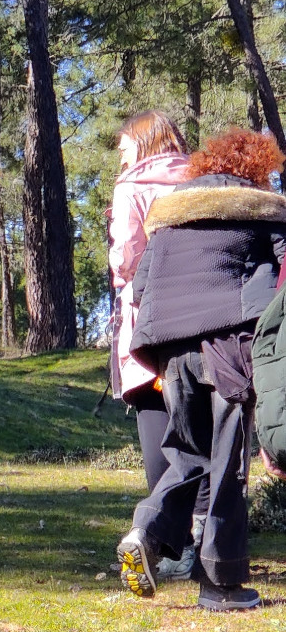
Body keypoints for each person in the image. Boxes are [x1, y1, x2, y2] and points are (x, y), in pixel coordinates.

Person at [117, 128, 286, 611]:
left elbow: (140, 285)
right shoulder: (264, 210)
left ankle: (145, 531)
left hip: (171, 350)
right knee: (228, 462)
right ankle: (221, 584)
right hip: (230, 343)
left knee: (187, 454)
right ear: (255, 168)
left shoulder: (170, 216)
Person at [107, 111, 207, 580]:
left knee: (158, 428)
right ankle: (208, 540)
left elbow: (128, 259)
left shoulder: (132, 188)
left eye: (125, 148)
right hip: (206, 322)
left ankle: (169, 545)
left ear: (144, 145)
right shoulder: (204, 178)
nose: (121, 158)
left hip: (149, 323)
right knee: (204, 434)